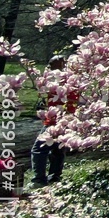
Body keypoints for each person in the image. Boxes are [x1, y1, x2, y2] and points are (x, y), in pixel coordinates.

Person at [30, 56, 77, 186]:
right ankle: (54, 177)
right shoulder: (68, 79)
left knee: (39, 149)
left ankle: (39, 179)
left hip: (56, 119)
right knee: (57, 149)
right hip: (64, 118)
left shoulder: (61, 80)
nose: (49, 67)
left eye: (52, 65)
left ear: (61, 64)